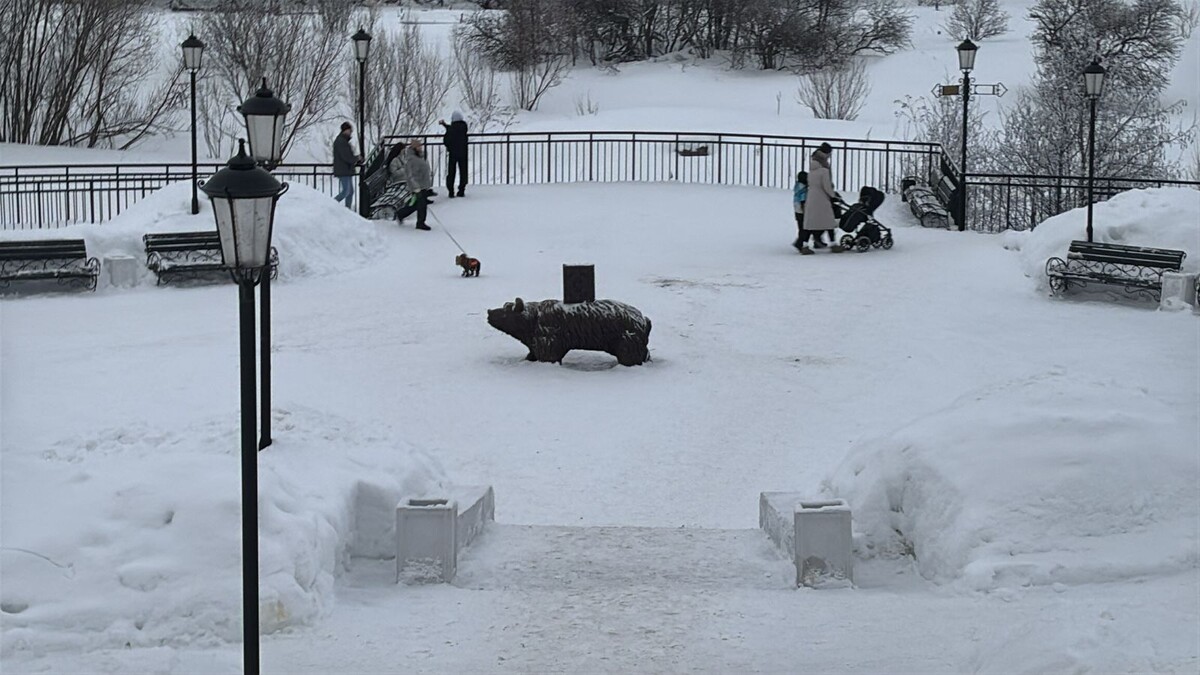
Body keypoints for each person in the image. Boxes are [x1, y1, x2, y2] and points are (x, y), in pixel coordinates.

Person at [801, 142, 844, 254]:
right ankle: (833, 244)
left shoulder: (811, 170)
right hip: (822, 199)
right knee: (829, 222)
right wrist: (833, 195)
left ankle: (805, 245)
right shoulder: (824, 171)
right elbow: (827, 186)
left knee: (810, 224)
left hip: (811, 197)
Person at [395, 138, 432, 230]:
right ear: (415, 148)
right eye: (419, 146)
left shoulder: (419, 157)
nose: (421, 148)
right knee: (421, 204)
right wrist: (416, 187)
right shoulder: (412, 159)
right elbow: (410, 175)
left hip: (423, 185)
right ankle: (420, 222)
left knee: (416, 204)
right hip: (417, 186)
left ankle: (401, 214)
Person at [439, 110, 469, 198]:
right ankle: (461, 190)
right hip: (463, 153)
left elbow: (446, 140)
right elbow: (455, 129)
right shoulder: (464, 127)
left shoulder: (451, 129)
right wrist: (445, 125)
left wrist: (449, 147)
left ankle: (451, 191)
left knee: (451, 172)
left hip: (453, 154)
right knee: (463, 171)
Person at [332, 121, 361, 210]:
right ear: (345, 130)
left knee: (350, 192)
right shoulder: (341, 142)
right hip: (343, 170)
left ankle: (348, 210)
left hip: (345, 170)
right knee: (346, 191)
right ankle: (331, 205)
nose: (351, 132)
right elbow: (346, 156)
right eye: (350, 130)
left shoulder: (342, 141)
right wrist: (356, 158)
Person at [791, 170, 808, 252]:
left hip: (796, 210)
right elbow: (803, 200)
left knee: (800, 227)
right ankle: (799, 243)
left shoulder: (797, 186)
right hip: (801, 210)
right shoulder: (804, 189)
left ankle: (799, 242)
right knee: (804, 228)